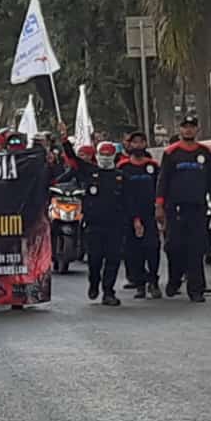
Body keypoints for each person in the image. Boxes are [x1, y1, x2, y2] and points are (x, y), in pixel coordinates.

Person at [156, 113, 211, 302]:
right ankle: (175, 279)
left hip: (197, 207)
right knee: (174, 247)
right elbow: (163, 181)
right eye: (185, 126)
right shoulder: (171, 153)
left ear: (197, 129)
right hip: (174, 208)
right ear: (180, 129)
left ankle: (196, 289)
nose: (188, 129)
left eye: (192, 126)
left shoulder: (205, 153)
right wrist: (159, 205)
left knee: (196, 248)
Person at [64, 141, 127, 306]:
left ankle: (108, 291)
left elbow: (130, 201)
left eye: (109, 155)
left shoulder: (121, 176)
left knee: (113, 259)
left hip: (115, 224)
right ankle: (94, 283)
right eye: (103, 155)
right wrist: (64, 141)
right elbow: (72, 158)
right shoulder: (89, 172)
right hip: (94, 224)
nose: (105, 158)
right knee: (95, 259)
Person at [120, 130, 162, 300]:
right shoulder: (123, 168)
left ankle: (153, 280)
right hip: (129, 215)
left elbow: (161, 189)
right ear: (129, 145)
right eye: (134, 142)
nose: (137, 145)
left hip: (150, 214)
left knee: (152, 248)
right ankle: (140, 283)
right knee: (133, 251)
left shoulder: (153, 166)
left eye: (141, 142)